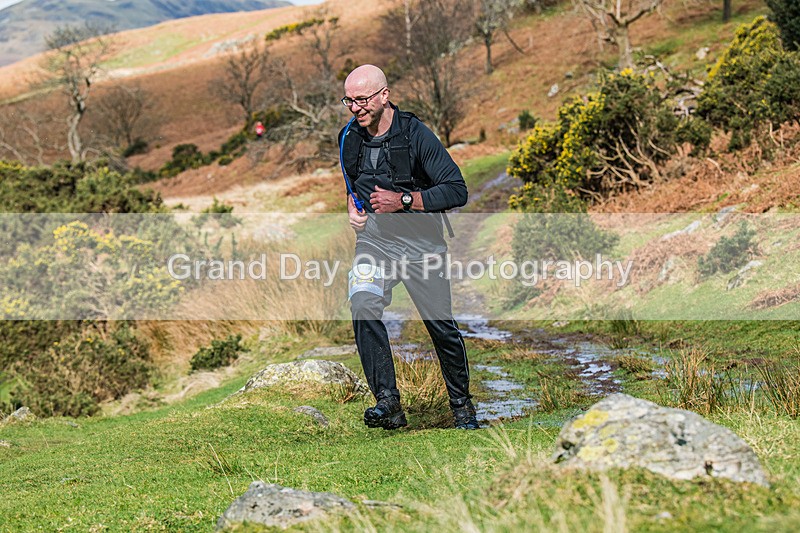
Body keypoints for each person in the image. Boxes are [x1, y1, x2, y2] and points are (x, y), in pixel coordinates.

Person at [338, 64, 478, 430]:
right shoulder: (348, 138)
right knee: (363, 303)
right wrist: (353, 212)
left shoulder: (417, 135)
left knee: (440, 326)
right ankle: (388, 404)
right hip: (376, 242)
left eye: (363, 99)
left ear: (384, 95)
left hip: (421, 244)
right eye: (350, 100)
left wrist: (403, 201)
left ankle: (462, 408)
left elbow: (457, 190)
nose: (356, 108)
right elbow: (354, 187)